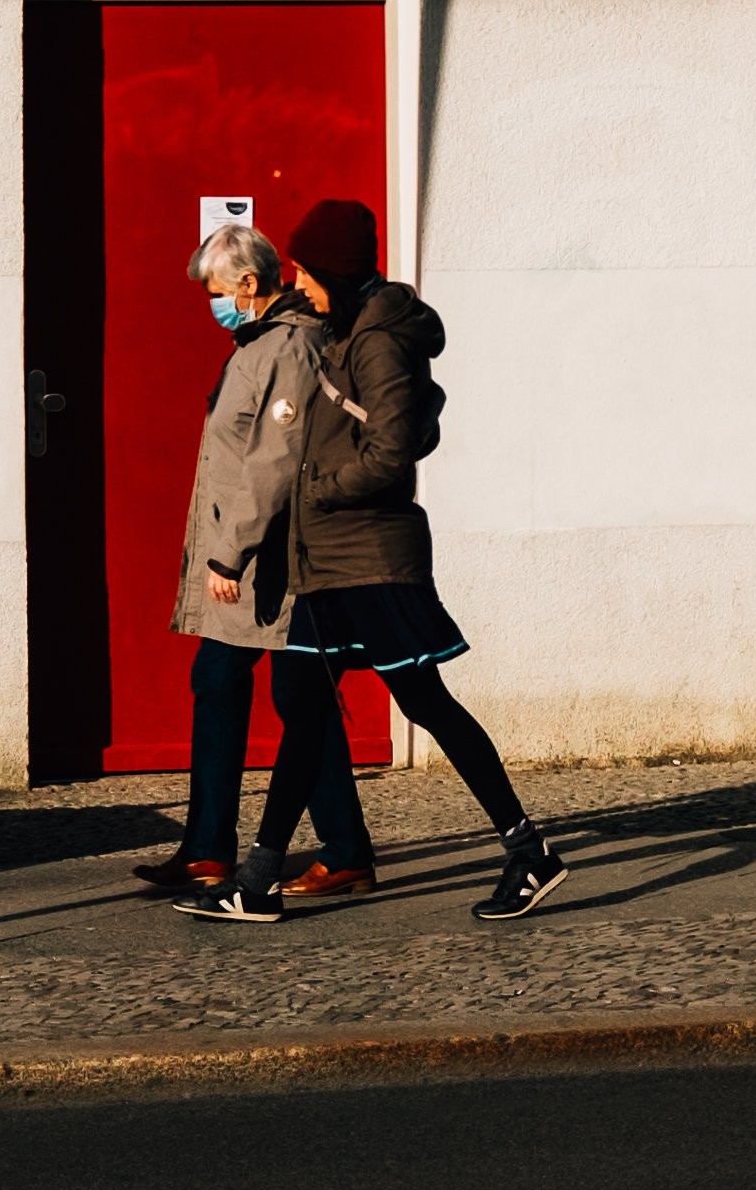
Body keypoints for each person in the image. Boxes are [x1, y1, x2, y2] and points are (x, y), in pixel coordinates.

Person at [181, 195, 566, 927]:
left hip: (372, 561)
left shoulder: (379, 340)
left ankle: (529, 850)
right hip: (327, 563)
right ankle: (257, 880)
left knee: (426, 704)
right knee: (302, 709)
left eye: (306, 268)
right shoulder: (340, 327)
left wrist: (311, 489)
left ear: (334, 269)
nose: (298, 279)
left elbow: (389, 454)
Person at [133, 220, 378, 900]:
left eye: (215, 290)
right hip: (247, 555)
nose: (211, 303)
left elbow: (272, 463)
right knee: (222, 684)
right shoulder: (258, 344)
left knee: (294, 697)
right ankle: (208, 847)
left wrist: (228, 553)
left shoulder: (290, 348)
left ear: (247, 283)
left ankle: (343, 849)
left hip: (271, 558)